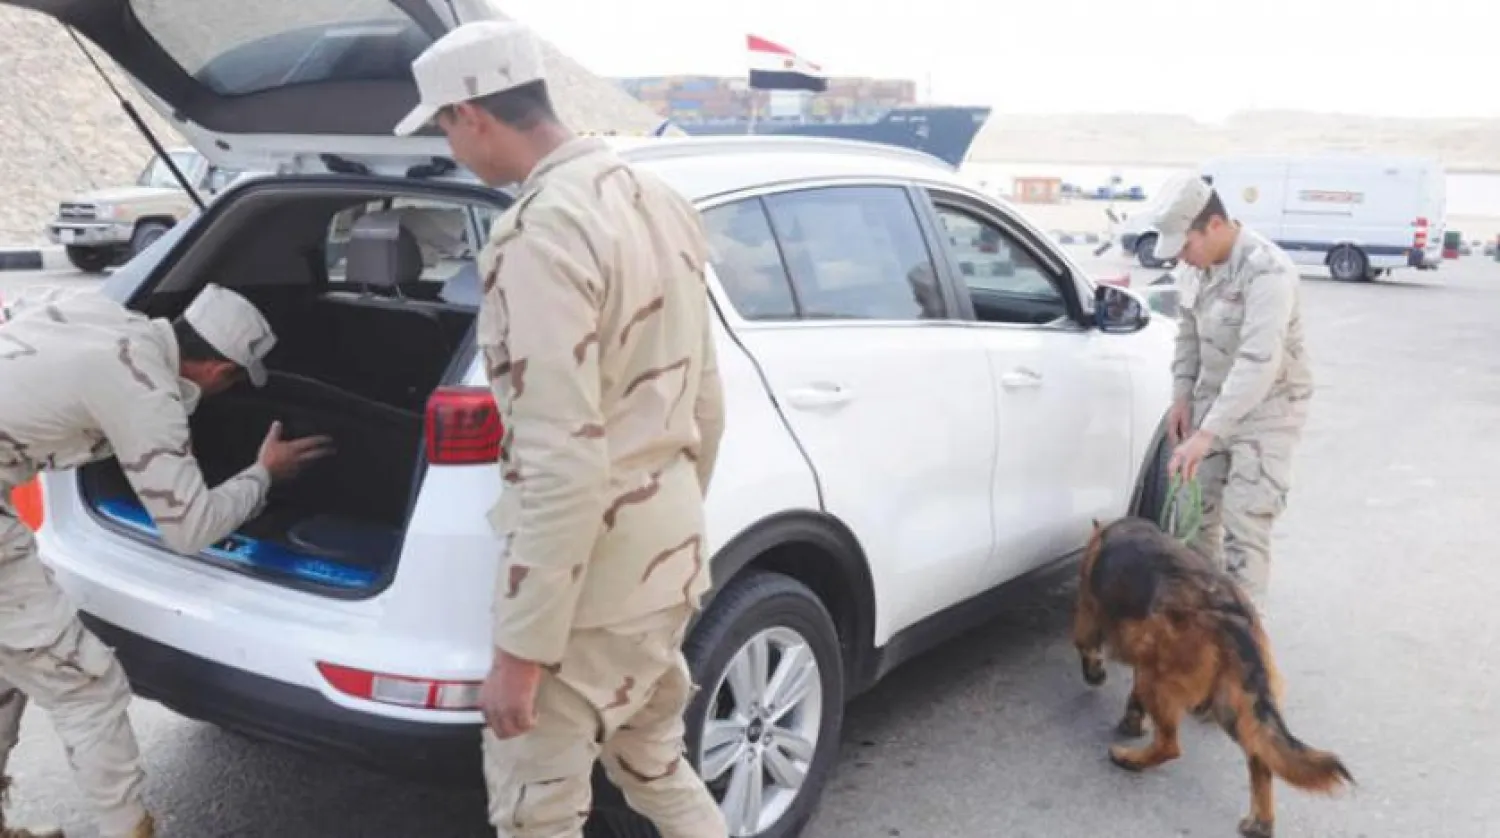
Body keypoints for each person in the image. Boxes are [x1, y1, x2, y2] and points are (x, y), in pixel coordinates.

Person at [393, 20, 728, 838]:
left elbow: (560, 459)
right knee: (654, 764)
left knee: (535, 813)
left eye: (443, 125)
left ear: (472, 114)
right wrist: (667, 525)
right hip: (668, 555)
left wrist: (520, 653)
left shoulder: (540, 232)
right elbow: (707, 399)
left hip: (592, 588)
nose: (451, 148)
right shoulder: (657, 198)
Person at [0, 283, 333, 838]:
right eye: (229, 382)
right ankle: (128, 830)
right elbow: (190, 529)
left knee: (13, 667)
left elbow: (19, 316)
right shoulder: (145, 389)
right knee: (87, 685)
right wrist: (263, 475)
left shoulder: (100, 312)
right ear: (220, 369)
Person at [1151, 174, 1314, 598]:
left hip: (1268, 412)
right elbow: (1187, 335)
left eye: (1186, 245)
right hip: (1213, 403)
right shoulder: (1196, 269)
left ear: (1216, 226)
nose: (1182, 258)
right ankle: (1205, 631)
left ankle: (1245, 648)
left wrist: (1206, 434)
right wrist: (1182, 397)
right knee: (1195, 522)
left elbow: (1258, 362)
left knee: (1245, 533)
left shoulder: (1267, 271)